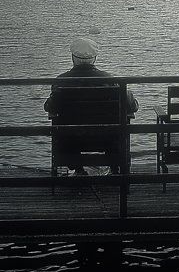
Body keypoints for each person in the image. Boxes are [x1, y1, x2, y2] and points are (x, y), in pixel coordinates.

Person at [45, 37, 138, 174]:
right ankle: (114, 167)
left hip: (71, 141)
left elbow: (50, 108)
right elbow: (132, 106)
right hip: (108, 139)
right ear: (94, 58)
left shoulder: (61, 82)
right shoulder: (111, 81)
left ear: (73, 57)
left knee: (65, 130)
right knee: (117, 129)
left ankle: (78, 168)